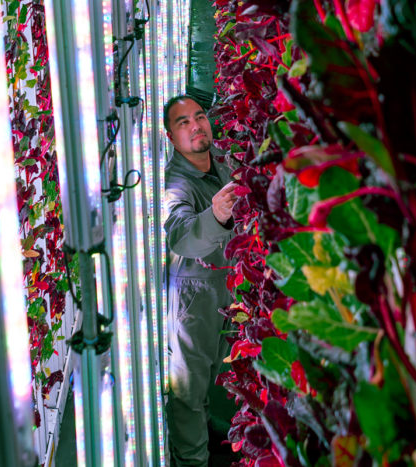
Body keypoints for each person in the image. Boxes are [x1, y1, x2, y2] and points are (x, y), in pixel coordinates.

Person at [163, 95, 237, 466]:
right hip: (194, 296)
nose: (196, 126)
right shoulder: (177, 183)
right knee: (188, 388)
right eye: (182, 122)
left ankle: (207, 434)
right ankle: (193, 460)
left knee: (209, 371)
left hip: (219, 287)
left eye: (199, 116)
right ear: (170, 138)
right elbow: (181, 234)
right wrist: (218, 215)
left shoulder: (217, 161)